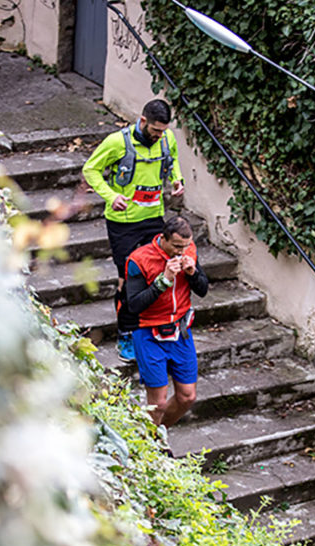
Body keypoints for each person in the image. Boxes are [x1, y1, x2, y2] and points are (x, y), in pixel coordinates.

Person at [82, 98, 184, 361]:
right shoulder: (117, 142)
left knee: (159, 273)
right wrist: (110, 195)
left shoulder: (166, 139)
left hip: (153, 217)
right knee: (128, 279)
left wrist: (177, 180)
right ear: (142, 121)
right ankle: (126, 333)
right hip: (123, 222)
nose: (159, 136)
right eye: (155, 131)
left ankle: (152, 326)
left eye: (163, 131)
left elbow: (172, 161)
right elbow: (90, 169)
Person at [125, 215, 208, 429]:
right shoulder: (139, 259)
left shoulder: (189, 251)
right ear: (164, 238)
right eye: (177, 246)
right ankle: (152, 446)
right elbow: (133, 305)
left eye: (186, 246)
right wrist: (163, 281)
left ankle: (157, 435)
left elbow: (203, 289)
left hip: (180, 333)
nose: (181, 251)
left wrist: (193, 273)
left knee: (187, 397)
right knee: (158, 403)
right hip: (149, 333)